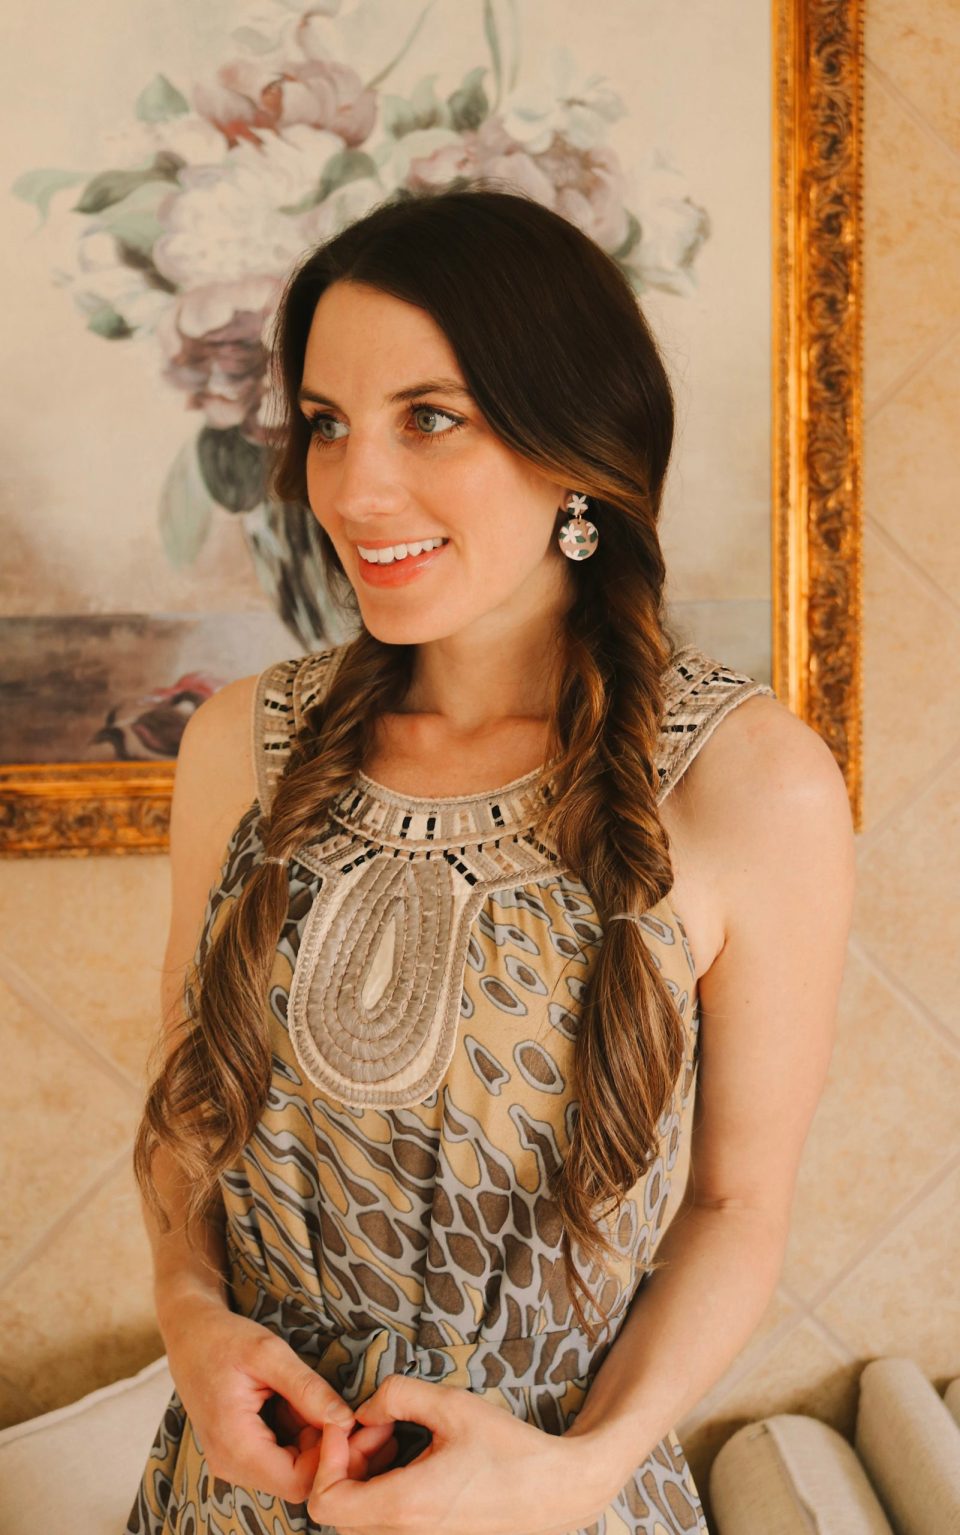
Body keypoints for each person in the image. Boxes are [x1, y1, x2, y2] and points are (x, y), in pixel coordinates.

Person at [127, 184, 856, 1535]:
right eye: (328, 424)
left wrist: (579, 1470)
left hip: (552, 1499)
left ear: (575, 445)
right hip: (231, 1499)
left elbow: (738, 1204)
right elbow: (186, 1119)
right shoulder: (242, 745)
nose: (354, 490)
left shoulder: (749, 783)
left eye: (430, 417)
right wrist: (189, 1315)